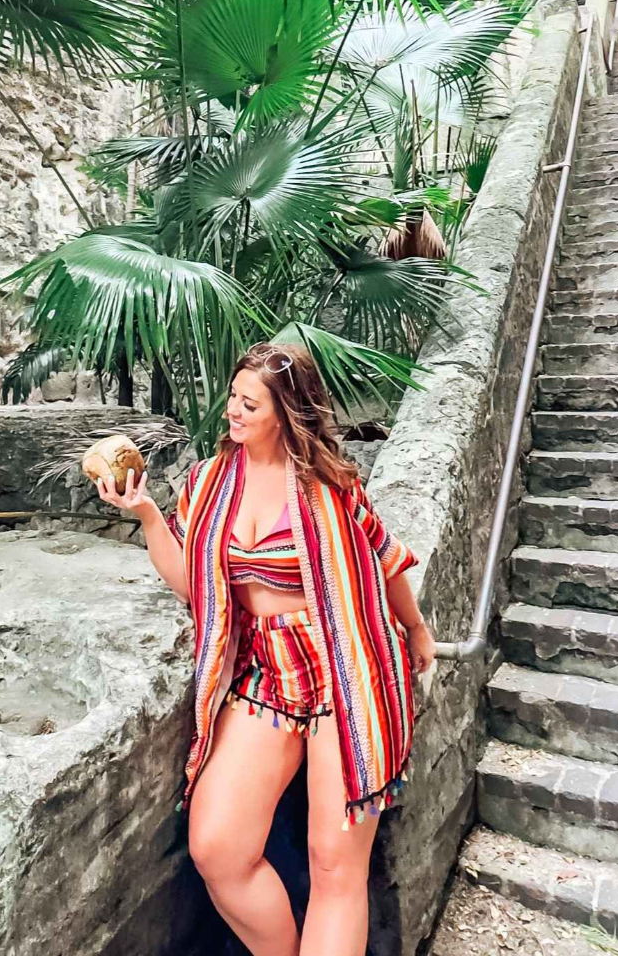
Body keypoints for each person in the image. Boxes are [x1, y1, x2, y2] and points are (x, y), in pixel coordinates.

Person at [85, 341, 437, 956]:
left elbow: (384, 561)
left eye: (250, 405)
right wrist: (145, 513)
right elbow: (195, 585)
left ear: (286, 412)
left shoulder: (330, 486)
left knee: (334, 865)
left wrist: (416, 629)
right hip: (264, 671)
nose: (233, 411)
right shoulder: (207, 483)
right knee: (217, 848)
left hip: (346, 670)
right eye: (233, 397)